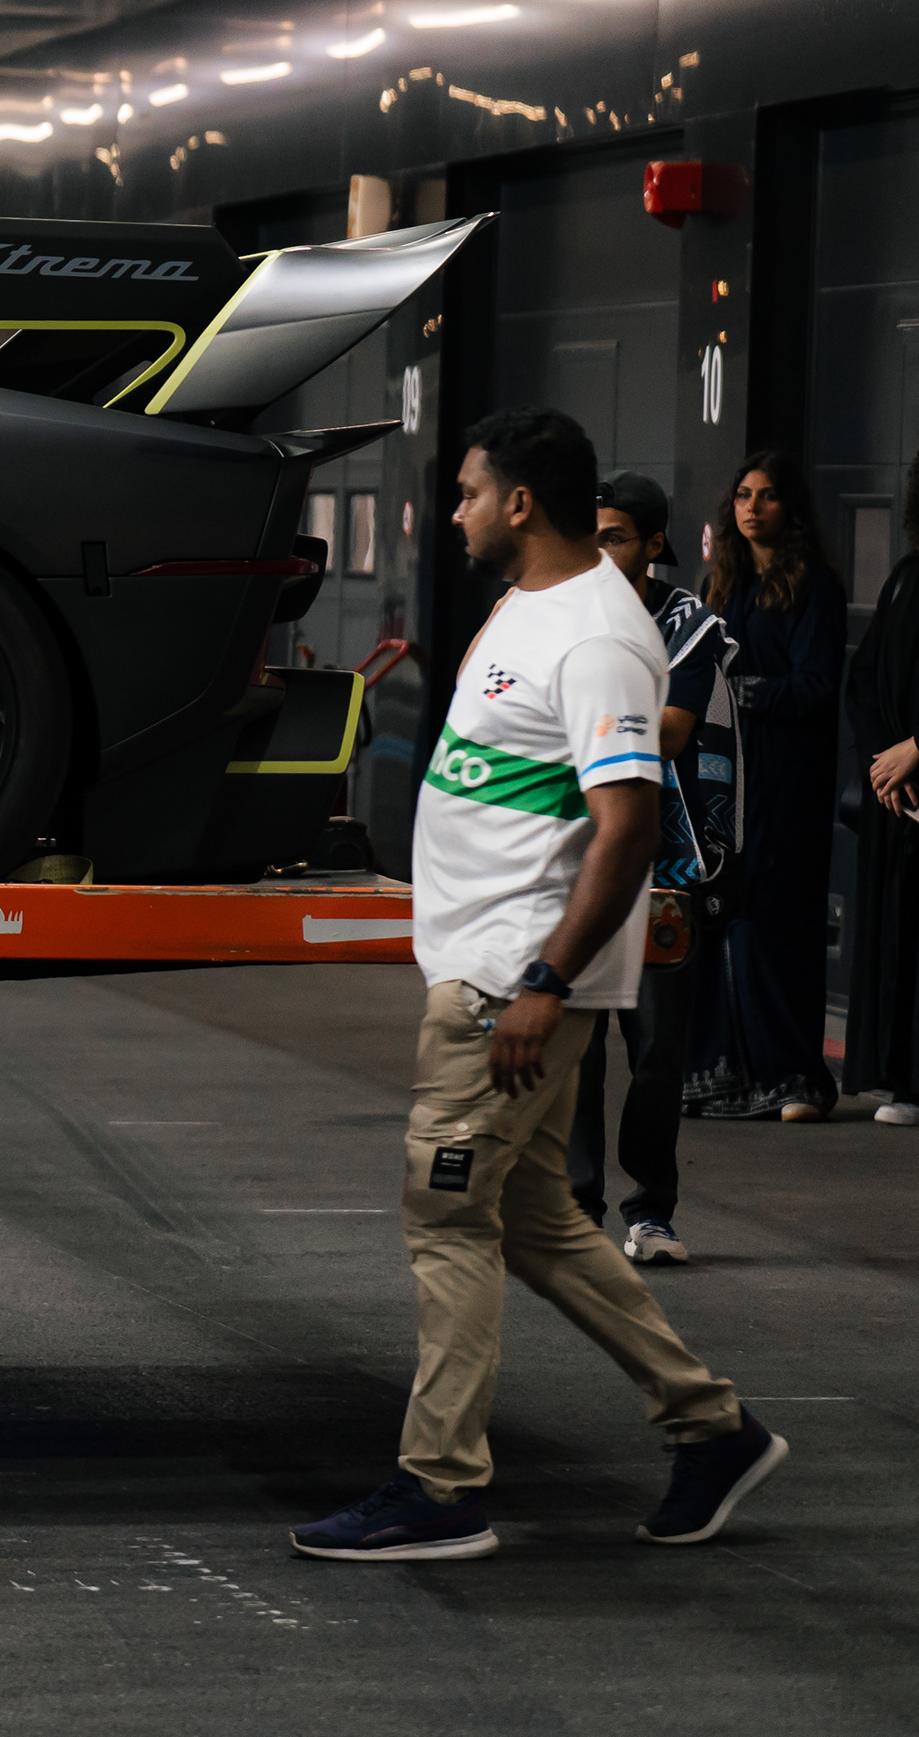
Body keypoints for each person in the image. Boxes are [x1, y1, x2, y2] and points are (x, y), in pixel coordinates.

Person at [289, 407, 784, 1563]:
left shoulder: (600, 638)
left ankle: (440, 1484)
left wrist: (546, 981)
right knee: (531, 1217)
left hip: (507, 986)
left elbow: (628, 825)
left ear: (519, 503)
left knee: (445, 1212)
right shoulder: (524, 605)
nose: (454, 510)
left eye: (468, 491)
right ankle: (711, 1427)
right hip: (483, 968)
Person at [565, 475, 734, 1263]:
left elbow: (669, 732)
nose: (599, 553)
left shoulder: (686, 623)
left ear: (654, 544)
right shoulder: (557, 610)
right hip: (573, 856)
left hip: (665, 864)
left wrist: (577, 720)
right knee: (577, 1049)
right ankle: (576, 1208)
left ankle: (650, 1212)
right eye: (590, 538)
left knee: (657, 1051)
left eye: (615, 538)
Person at [693, 446, 843, 1122]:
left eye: (768, 495)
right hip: (725, 772)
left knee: (775, 923)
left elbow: (816, 685)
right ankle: (724, 1074)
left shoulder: (814, 585)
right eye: (744, 496)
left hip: (786, 777)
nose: (752, 508)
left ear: (791, 507)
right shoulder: (720, 582)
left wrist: (744, 693)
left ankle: (792, 1077)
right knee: (721, 914)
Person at [840, 453, 919, 1126]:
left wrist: (916, 750)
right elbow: (864, 682)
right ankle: (904, 1079)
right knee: (900, 936)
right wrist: (883, 766)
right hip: (900, 795)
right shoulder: (906, 576)